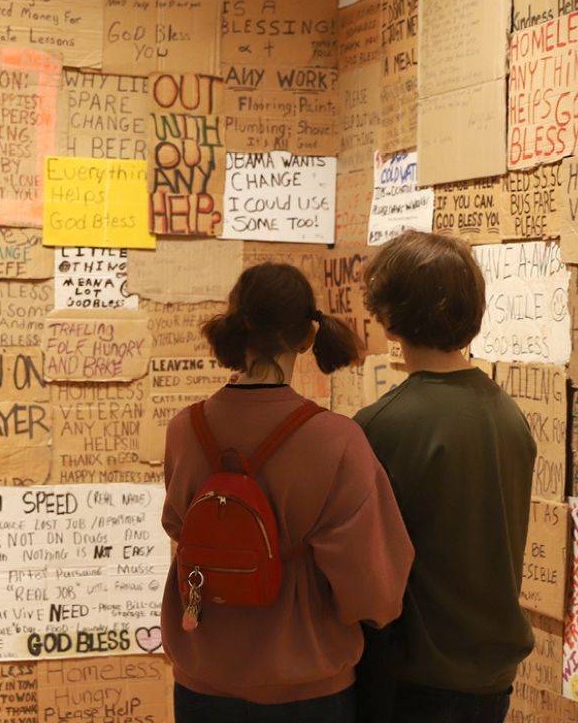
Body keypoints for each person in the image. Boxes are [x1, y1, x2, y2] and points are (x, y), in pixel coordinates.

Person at [160, 262, 414, 723]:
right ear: (308, 335)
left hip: (200, 682)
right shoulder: (337, 440)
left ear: (236, 329)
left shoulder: (184, 430)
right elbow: (374, 593)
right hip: (308, 691)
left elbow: (182, 535)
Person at [353, 231, 536, 723]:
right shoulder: (509, 415)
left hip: (411, 678)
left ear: (389, 318)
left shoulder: (377, 427)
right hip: (492, 679)